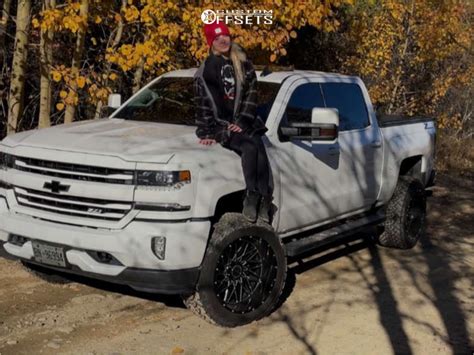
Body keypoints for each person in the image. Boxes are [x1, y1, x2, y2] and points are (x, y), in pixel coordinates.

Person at [193, 22, 273, 223]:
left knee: (259, 147)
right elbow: (204, 102)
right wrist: (207, 132)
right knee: (249, 147)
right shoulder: (208, 68)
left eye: (226, 36)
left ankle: (263, 200)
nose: (223, 40)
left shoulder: (244, 64)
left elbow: (251, 96)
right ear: (211, 42)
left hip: (244, 123)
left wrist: (243, 121)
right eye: (217, 38)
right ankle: (251, 195)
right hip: (221, 125)